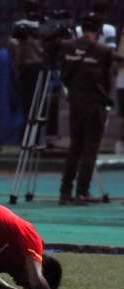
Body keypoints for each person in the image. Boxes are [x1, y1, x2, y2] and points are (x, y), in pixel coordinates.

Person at [59, 13, 115, 205]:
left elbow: (63, 75)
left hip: (75, 104)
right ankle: (82, 192)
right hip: (95, 105)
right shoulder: (104, 50)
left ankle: (64, 192)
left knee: (75, 147)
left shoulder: (66, 46)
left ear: (82, 28)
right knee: (90, 149)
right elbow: (107, 82)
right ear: (99, 30)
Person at [9, 0, 45, 141]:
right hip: (28, 68)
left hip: (35, 68)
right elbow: (13, 45)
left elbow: (13, 44)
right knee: (28, 106)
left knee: (33, 106)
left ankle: (33, 138)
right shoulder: (20, 25)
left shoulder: (42, 25)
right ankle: (27, 138)